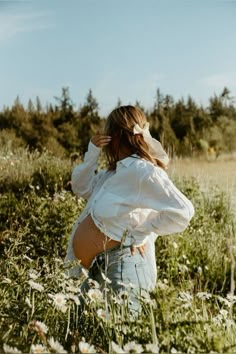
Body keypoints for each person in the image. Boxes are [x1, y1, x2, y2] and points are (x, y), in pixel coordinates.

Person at [64, 105, 194, 311]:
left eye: (107, 132)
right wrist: (92, 153)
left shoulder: (142, 171)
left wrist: (144, 229)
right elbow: (80, 187)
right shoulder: (113, 174)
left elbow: (183, 212)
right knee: (89, 336)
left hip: (122, 269)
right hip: (91, 270)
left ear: (115, 136)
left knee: (120, 338)